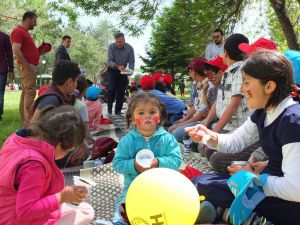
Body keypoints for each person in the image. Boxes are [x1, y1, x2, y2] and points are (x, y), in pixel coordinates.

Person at [186, 51, 300, 225]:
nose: (242, 89)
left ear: (269, 87)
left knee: (205, 189)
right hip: (266, 183)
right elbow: (235, 141)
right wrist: (207, 136)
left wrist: (252, 178)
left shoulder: (292, 122)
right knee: (201, 182)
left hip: (286, 197)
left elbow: (295, 188)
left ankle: (252, 219)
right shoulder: (264, 112)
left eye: (247, 83)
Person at [0, 105, 94, 225]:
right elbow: (25, 210)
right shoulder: (34, 166)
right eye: (69, 150)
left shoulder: (17, 140)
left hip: (5, 211)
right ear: (60, 145)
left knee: (82, 208)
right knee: (86, 212)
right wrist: (61, 197)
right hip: (14, 220)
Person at [112, 92, 182, 224]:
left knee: (171, 205)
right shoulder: (127, 141)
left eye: (152, 112)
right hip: (134, 185)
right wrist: (134, 165)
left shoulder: (167, 139)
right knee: (124, 204)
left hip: (162, 185)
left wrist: (159, 162)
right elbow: (117, 164)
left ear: (159, 117)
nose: (147, 116)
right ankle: (119, 222)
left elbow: (176, 160)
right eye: (141, 113)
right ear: (132, 118)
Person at [11, 11, 45, 127]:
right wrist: (27, 65)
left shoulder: (24, 32)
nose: (35, 24)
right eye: (34, 21)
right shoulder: (18, 31)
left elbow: (26, 50)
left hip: (28, 66)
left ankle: (25, 121)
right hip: (27, 67)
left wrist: (39, 52)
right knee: (30, 92)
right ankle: (30, 122)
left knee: (26, 92)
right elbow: (16, 49)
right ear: (28, 19)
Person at [107, 32, 135, 115]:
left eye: (120, 41)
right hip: (113, 69)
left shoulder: (130, 48)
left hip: (124, 71)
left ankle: (118, 111)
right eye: (117, 42)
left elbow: (131, 62)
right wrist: (117, 66)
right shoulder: (111, 47)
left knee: (121, 91)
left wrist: (130, 71)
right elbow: (109, 61)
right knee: (111, 89)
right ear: (115, 41)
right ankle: (109, 108)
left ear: (124, 40)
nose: (119, 43)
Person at [0, 31, 15, 122]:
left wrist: (11, 69)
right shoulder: (4, 37)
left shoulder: (5, 37)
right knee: (0, 93)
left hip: (2, 69)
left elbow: (9, 54)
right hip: (2, 69)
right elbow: (9, 54)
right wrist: (11, 69)